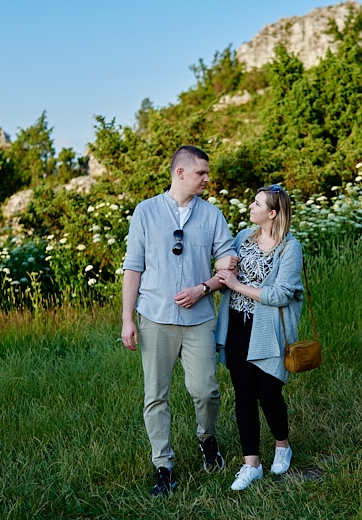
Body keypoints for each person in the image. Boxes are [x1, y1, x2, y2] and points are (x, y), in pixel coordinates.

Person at [121, 145, 238, 497]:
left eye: (207, 173)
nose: (207, 179)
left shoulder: (212, 216)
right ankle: (164, 466)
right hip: (154, 317)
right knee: (155, 395)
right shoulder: (145, 212)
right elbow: (133, 267)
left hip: (199, 319)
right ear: (180, 172)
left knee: (206, 390)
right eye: (201, 173)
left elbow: (227, 263)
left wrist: (204, 287)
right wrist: (127, 319)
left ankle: (207, 439)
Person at [214, 184, 304, 491]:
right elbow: (223, 266)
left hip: (269, 330)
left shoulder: (289, 247)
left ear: (273, 213)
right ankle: (251, 464)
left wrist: (237, 285)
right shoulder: (243, 238)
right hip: (237, 326)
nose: (250, 207)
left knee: (269, 393)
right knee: (244, 396)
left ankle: (282, 445)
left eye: (256, 203)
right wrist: (221, 269)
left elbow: (281, 294)